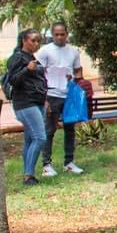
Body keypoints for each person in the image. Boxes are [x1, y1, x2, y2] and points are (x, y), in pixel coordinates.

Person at [36, 21, 85, 177]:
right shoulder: (45, 51)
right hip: (51, 95)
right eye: (56, 34)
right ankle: (46, 165)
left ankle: (69, 162)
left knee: (70, 129)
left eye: (62, 34)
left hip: (68, 95)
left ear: (66, 34)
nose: (59, 37)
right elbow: (37, 72)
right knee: (49, 130)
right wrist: (43, 97)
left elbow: (78, 71)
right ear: (52, 34)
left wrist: (74, 77)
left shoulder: (73, 51)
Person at [5, 28, 48, 186]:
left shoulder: (32, 58)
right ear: (24, 40)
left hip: (37, 101)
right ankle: (29, 175)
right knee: (40, 138)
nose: (36, 44)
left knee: (30, 139)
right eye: (33, 40)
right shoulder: (17, 57)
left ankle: (28, 173)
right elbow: (12, 80)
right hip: (25, 103)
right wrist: (26, 70)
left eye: (38, 41)